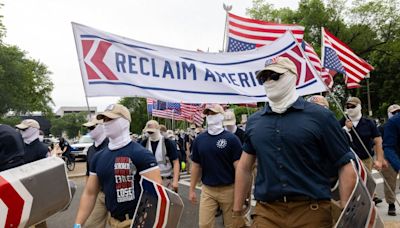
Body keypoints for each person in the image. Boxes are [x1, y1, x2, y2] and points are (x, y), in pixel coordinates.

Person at [233, 57, 356, 227]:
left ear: (293, 77)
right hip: (267, 212)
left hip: (311, 210)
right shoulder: (255, 122)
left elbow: (345, 163)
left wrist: (347, 212)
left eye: (275, 76)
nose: (269, 81)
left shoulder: (320, 117)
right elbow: (245, 166)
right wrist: (237, 208)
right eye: (264, 78)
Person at [75, 104, 161, 228]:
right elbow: (90, 193)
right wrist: (77, 224)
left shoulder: (141, 154)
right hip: (113, 222)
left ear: (124, 122)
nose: (106, 123)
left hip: (136, 222)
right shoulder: (98, 158)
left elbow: (155, 195)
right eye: (104, 119)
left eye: (111, 119)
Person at [189, 104, 242, 228]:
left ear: (220, 116)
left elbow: (239, 168)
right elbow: (196, 166)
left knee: (231, 225)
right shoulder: (199, 140)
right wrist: (191, 189)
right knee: (204, 224)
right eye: (208, 114)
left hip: (229, 189)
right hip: (208, 190)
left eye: (213, 114)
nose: (210, 116)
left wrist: (241, 193)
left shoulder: (231, 139)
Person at [340, 96, 387, 204]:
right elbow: (335, 138)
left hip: (366, 158)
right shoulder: (342, 122)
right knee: (353, 183)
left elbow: (378, 140)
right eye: (348, 106)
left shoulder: (369, 123)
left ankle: (370, 199)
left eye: (353, 106)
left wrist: (379, 160)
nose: (350, 108)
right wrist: (345, 129)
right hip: (349, 160)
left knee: (366, 180)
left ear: (359, 107)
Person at [82, 117, 109, 228]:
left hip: (115, 194)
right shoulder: (90, 150)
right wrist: (87, 192)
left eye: (92, 127)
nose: (89, 131)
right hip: (99, 194)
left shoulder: (112, 146)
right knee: (91, 225)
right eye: (88, 128)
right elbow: (88, 173)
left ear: (101, 126)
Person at [141, 120, 180, 192]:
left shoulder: (167, 142)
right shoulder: (144, 143)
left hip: (166, 180)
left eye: (152, 132)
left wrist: (175, 181)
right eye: (149, 132)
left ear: (158, 130)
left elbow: (176, 162)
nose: (150, 134)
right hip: (151, 181)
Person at [382, 104, 400, 216]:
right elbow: (387, 146)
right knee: (389, 179)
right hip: (390, 152)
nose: (396, 114)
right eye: (393, 113)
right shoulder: (387, 125)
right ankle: (391, 204)